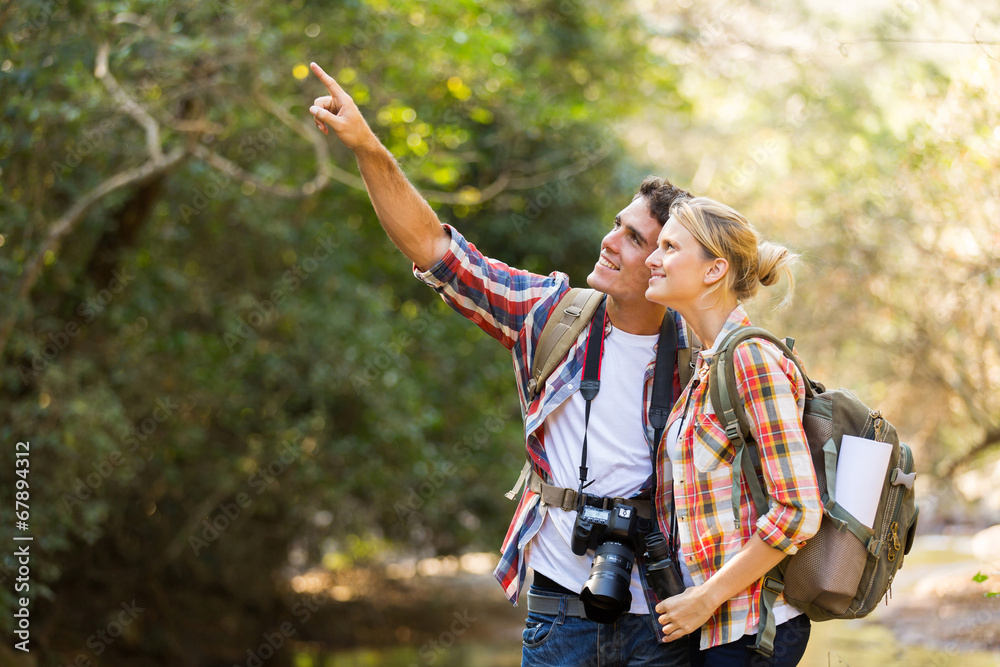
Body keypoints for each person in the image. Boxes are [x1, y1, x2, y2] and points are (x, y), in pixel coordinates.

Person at [308, 62, 692, 665]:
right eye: (617, 226)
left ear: (667, 262)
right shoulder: (551, 316)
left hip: (669, 622)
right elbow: (436, 249)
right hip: (561, 611)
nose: (609, 241)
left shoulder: (702, 356)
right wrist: (367, 146)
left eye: (635, 239)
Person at [642, 197, 823, 666]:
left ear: (713, 270)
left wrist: (706, 597)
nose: (652, 259)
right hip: (716, 629)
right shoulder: (706, 367)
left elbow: (798, 510)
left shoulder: (750, 359)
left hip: (752, 630)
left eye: (669, 247)